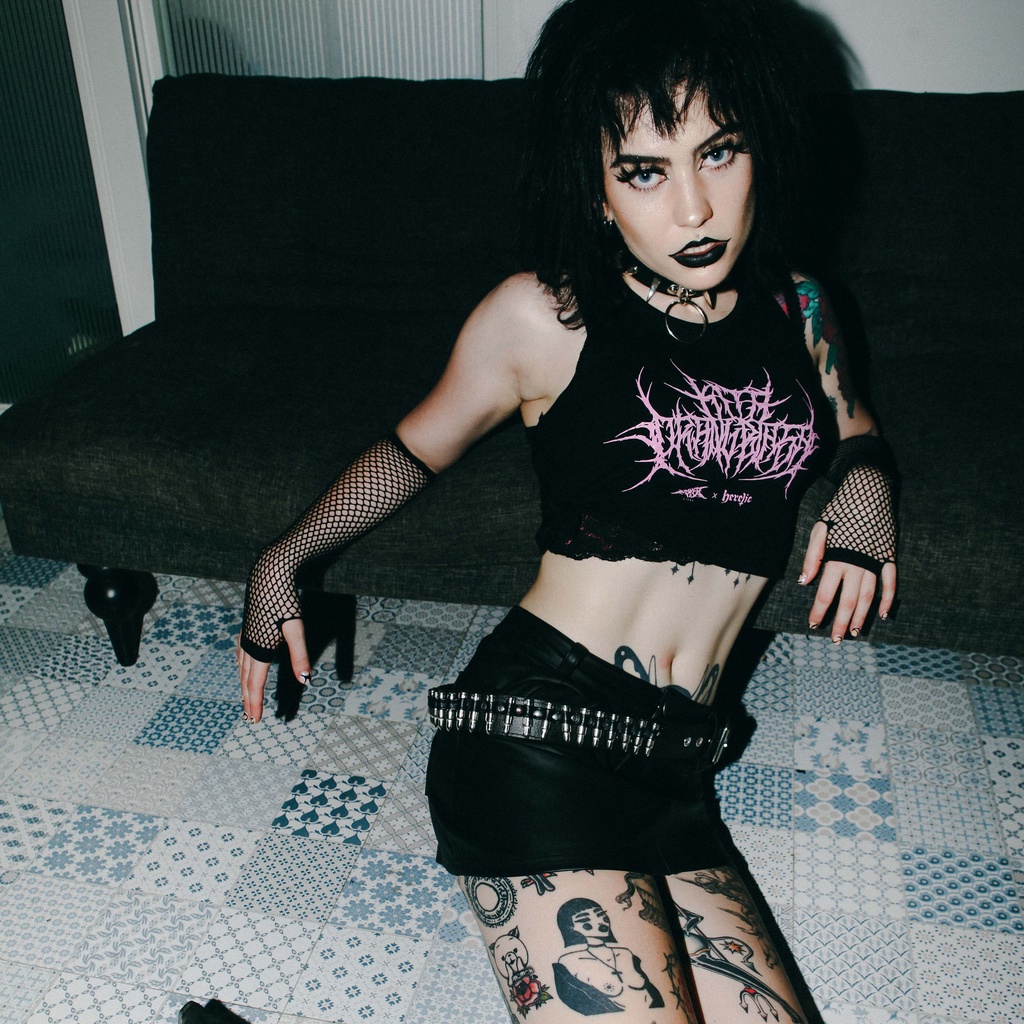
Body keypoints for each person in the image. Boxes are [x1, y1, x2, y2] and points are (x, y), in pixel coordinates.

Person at [236, 1, 897, 1020]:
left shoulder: (800, 307)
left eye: (718, 154)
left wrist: (866, 486)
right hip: (535, 738)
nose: (695, 209)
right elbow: (413, 450)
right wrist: (282, 558)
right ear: (594, 188)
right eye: (644, 171)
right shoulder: (545, 316)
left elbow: (855, 431)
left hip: (681, 768)